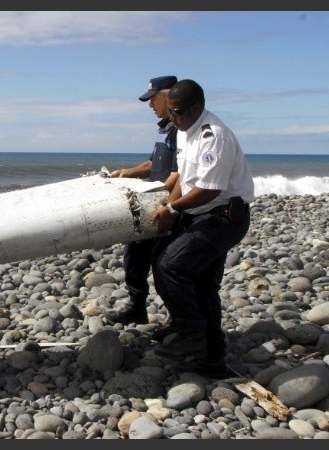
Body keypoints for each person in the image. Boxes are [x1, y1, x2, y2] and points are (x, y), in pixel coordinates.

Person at [150, 80, 254, 377]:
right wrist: (171, 207)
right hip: (200, 215)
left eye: (178, 112)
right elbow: (185, 175)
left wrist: (171, 209)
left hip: (223, 218)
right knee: (201, 284)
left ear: (197, 108)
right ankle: (212, 358)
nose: (172, 118)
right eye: (169, 112)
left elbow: (209, 189)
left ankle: (190, 335)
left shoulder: (214, 136)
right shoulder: (185, 130)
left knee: (172, 266)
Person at [105, 75, 180, 327]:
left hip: (168, 205)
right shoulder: (163, 129)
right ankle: (137, 307)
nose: (150, 106)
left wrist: (165, 204)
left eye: (153, 100)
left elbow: (178, 174)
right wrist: (125, 172)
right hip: (153, 202)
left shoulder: (181, 131)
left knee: (164, 265)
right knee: (134, 255)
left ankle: (177, 319)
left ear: (169, 97)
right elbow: (152, 164)